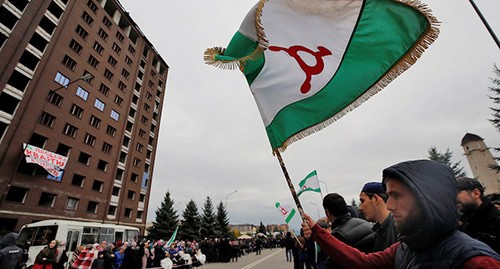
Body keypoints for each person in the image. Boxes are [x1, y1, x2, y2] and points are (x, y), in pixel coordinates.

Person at [301, 160, 500, 268]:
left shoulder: (476, 260)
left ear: (426, 200)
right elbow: (363, 262)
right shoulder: (404, 248)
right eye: (388, 196)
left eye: (397, 196)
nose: (390, 206)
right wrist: (319, 232)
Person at [456, 176, 500, 253]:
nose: (453, 198)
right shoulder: (463, 226)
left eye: (456, 193)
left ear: (476, 193)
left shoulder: (496, 220)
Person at [359, 182, 398, 251]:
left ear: (375, 199)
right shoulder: (381, 230)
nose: (360, 208)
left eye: (363, 201)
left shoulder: (397, 228)